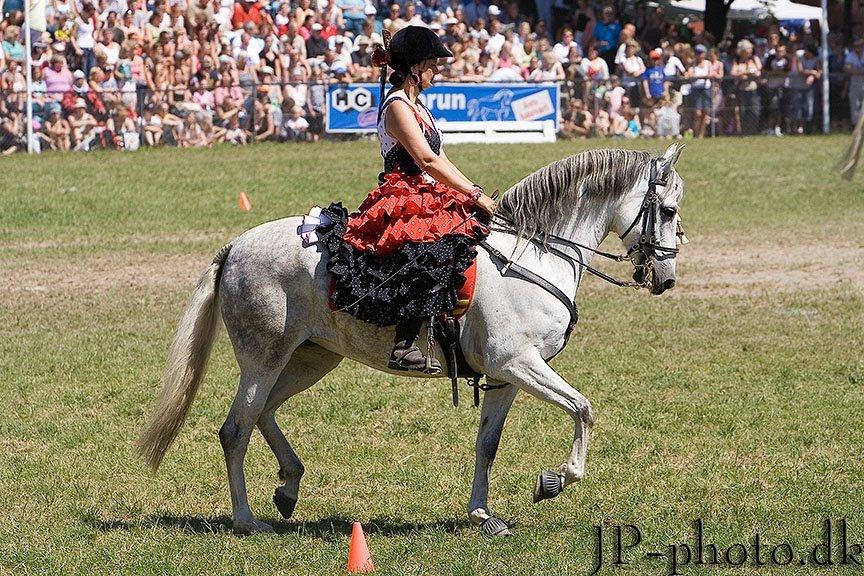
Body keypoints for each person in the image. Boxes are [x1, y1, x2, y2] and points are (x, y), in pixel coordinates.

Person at [318, 26, 496, 373]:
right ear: (415, 67)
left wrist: (472, 190)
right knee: (427, 248)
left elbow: (440, 158)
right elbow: (426, 160)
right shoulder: (398, 106)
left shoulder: (419, 106)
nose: (438, 70)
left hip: (427, 188)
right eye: (433, 64)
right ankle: (404, 343)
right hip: (404, 193)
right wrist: (472, 193)